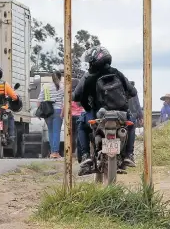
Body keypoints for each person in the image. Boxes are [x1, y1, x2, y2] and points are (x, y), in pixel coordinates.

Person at [73, 46, 137, 175]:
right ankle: (129, 154)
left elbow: (77, 96)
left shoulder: (88, 77)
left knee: (81, 125)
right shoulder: (117, 73)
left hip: (98, 113)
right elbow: (133, 91)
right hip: (121, 113)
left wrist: (87, 103)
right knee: (131, 124)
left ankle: (86, 156)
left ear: (93, 61)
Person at [38, 70, 64, 159]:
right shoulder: (62, 87)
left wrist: (40, 112)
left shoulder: (45, 87)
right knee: (56, 132)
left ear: (52, 78)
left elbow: (39, 101)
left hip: (47, 112)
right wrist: (63, 112)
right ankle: (55, 152)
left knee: (51, 132)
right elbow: (64, 102)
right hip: (58, 111)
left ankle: (53, 152)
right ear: (60, 78)